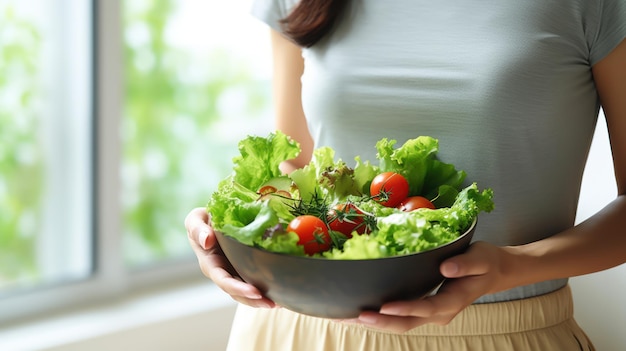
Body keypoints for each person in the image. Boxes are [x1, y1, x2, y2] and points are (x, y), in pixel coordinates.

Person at [185, 0, 626, 349]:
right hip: (298, 331)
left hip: (500, 335)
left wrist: (514, 266)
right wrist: (236, 233)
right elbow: (299, 167)